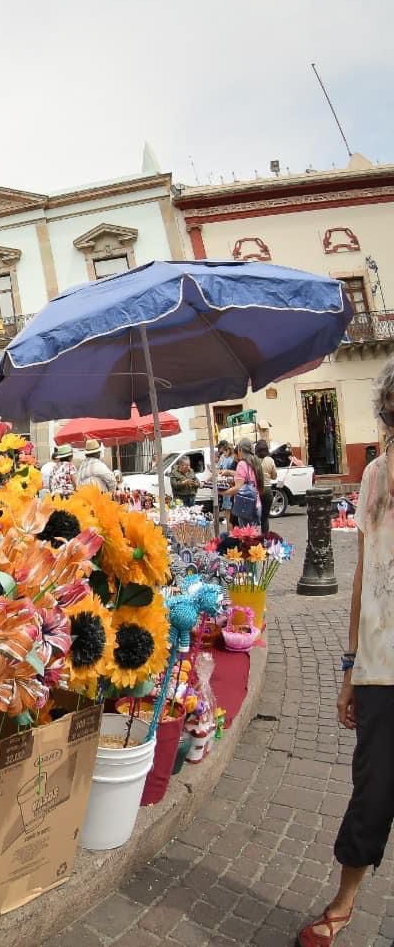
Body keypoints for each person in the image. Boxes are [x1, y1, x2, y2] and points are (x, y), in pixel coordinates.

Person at [300, 357, 394, 947]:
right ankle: (346, 900)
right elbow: (361, 572)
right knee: (372, 790)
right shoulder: (376, 478)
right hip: (381, 668)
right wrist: (348, 668)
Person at [221, 440, 264, 529]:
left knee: (246, 539)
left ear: (240, 450)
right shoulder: (255, 462)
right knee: (254, 539)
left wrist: (223, 492)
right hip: (257, 504)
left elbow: (238, 488)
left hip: (245, 507)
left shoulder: (242, 464)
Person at [214, 441, 237, 535]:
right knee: (227, 510)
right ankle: (229, 531)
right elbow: (219, 468)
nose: (221, 452)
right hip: (224, 486)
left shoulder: (233, 458)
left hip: (231, 486)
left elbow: (233, 472)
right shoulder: (223, 457)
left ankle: (232, 532)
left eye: (222, 450)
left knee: (232, 511)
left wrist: (225, 472)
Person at [260, 445, 279, 536]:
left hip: (256, 490)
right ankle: (265, 538)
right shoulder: (270, 460)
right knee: (265, 518)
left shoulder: (254, 460)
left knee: (253, 518)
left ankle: (252, 541)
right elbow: (274, 476)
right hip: (267, 490)